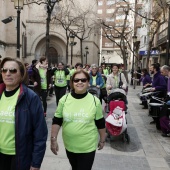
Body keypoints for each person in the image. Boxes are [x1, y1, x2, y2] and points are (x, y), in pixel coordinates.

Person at [50, 69, 105, 170]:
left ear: (88, 82)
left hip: (88, 146)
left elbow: (100, 123)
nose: (80, 82)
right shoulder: (64, 100)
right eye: (76, 80)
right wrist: (53, 139)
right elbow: (57, 120)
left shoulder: (95, 101)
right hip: (70, 145)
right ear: (72, 83)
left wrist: (102, 140)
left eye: (83, 80)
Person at [0, 57, 48, 170]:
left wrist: (36, 163)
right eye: (4, 70)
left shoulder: (31, 98)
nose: (8, 74)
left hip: (20, 157)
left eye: (13, 70)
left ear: (21, 74)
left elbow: (40, 133)